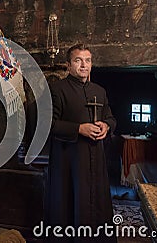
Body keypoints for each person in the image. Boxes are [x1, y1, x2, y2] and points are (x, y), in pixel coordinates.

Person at [44, 44, 117, 243]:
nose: (84, 65)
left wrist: (106, 126)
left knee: (97, 205)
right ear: (68, 65)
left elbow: (111, 118)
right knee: (70, 204)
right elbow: (48, 125)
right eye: (78, 60)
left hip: (96, 162)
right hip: (69, 162)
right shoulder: (56, 90)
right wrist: (79, 129)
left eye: (87, 60)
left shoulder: (99, 91)